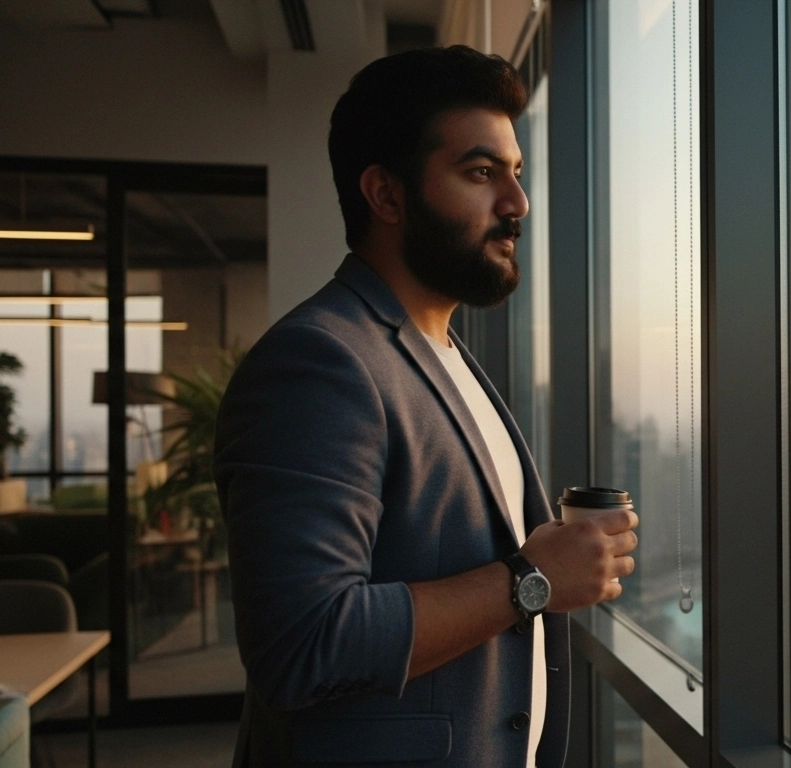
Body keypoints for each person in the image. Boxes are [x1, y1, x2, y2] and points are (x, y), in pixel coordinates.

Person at [214, 46, 638, 768]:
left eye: (516, 173)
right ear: (386, 195)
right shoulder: (321, 363)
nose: (517, 204)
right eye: (481, 173)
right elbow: (302, 643)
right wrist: (530, 582)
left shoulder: (444, 354)